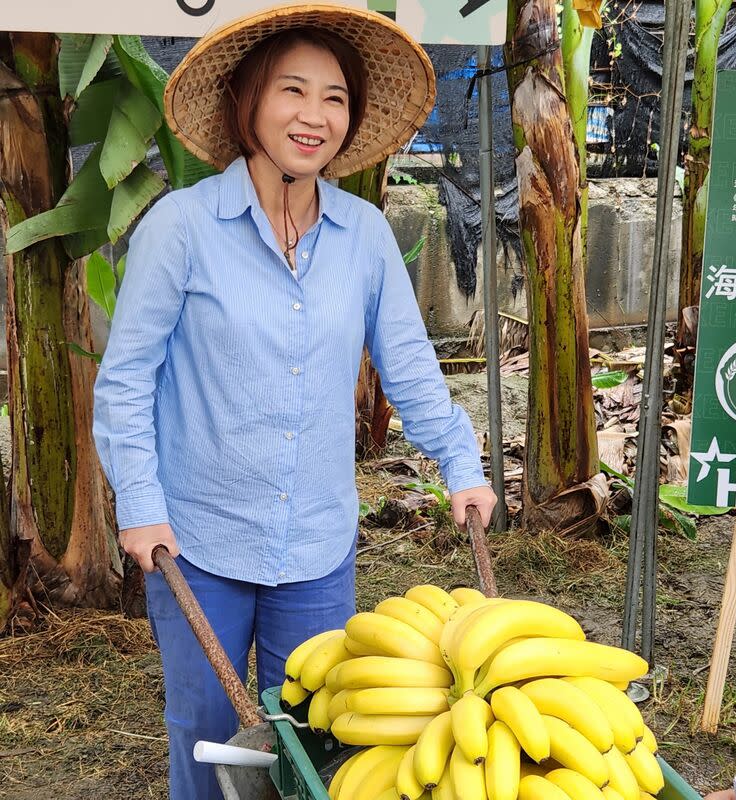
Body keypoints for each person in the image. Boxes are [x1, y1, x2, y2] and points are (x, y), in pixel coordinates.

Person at [93, 5, 497, 799]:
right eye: (293, 91)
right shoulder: (181, 228)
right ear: (249, 100)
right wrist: (139, 505)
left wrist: (461, 465)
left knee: (314, 741)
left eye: (335, 98)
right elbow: (127, 378)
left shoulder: (365, 236)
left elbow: (410, 366)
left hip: (315, 545)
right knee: (211, 742)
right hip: (196, 542)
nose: (314, 116)